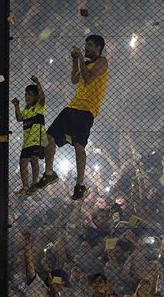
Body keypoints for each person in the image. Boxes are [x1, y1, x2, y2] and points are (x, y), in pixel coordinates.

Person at [32, 35, 109, 200]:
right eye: (85, 45)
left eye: (89, 45)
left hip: (87, 110)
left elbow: (88, 79)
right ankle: (49, 173)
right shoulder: (86, 64)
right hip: (72, 107)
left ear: (98, 47)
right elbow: (75, 80)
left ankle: (80, 185)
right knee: (48, 137)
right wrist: (75, 60)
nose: (86, 48)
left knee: (78, 146)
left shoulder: (102, 62)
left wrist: (80, 56)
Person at [11, 75, 47, 196]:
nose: (26, 97)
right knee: (22, 162)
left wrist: (37, 82)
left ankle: (34, 184)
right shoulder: (26, 109)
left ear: (36, 96)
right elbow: (19, 118)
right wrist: (16, 106)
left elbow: (42, 97)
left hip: (38, 139)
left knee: (34, 160)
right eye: (26, 94)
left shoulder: (39, 106)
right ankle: (25, 186)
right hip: (27, 141)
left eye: (30, 94)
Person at [21, 230, 69, 297]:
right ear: (56, 280)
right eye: (62, 285)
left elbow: (55, 294)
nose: (61, 289)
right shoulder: (37, 284)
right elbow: (29, 264)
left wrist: (49, 275)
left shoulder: (57, 295)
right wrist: (27, 244)